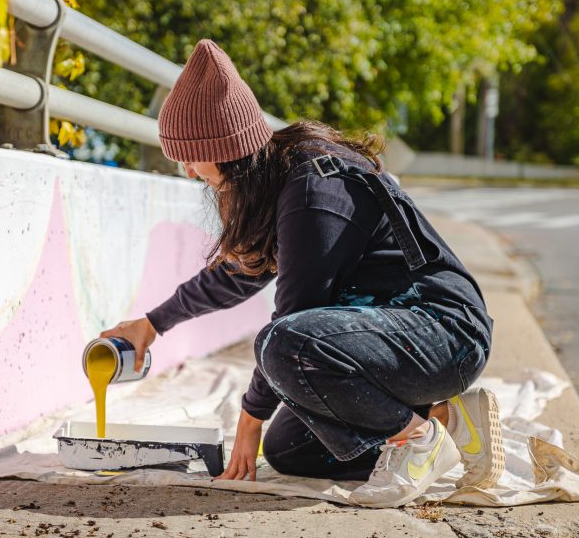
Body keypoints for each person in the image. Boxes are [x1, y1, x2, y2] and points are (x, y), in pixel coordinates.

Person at [100, 40, 503, 508]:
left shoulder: (314, 189)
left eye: (191, 156)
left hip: (442, 332)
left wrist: (249, 419)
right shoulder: (275, 178)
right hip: (393, 340)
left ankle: (416, 440)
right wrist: (152, 324)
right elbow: (236, 274)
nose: (189, 171)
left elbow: (294, 324)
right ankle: (451, 422)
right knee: (292, 448)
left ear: (225, 148)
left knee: (281, 345)